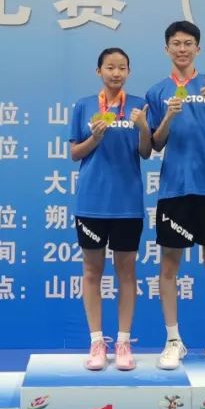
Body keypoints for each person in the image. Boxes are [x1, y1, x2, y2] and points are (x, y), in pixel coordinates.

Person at [145, 21, 205, 370]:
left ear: (198, 49)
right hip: (173, 190)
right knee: (169, 266)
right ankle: (173, 341)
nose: (182, 49)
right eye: (176, 43)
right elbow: (155, 144)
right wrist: (168, 117)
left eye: (188, 43)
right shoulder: (157, 92)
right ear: (167, 49)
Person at [70, 47, 152, 370]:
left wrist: (143, 127)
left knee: (126, 272)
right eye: (109, 67)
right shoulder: (84, 106)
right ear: (99, 71)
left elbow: (145, 152)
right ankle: (96, 342)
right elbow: (75, 153)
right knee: (92, 272)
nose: (116, 73)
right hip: (91, 203)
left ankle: (123, 342)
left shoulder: (139, 106)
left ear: (128, 72)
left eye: (121, 68)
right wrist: (95, 138)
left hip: (127, 204)